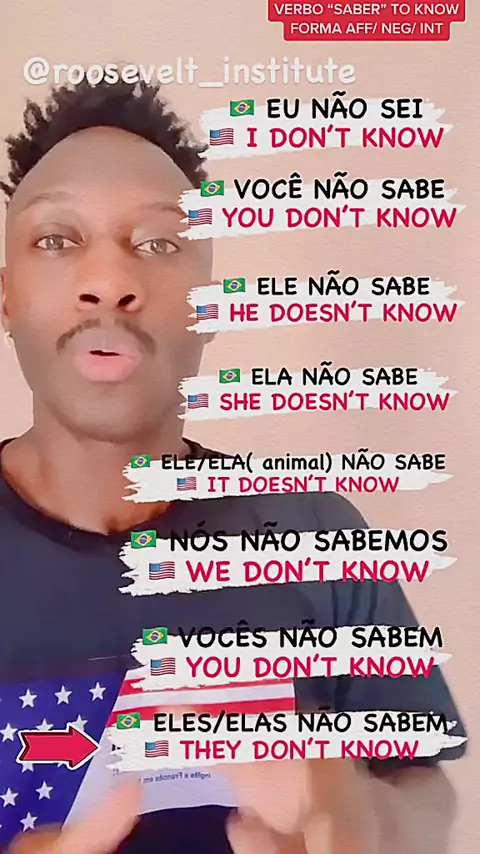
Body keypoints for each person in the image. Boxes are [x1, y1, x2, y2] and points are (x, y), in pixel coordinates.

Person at [0, 77, 466, 854]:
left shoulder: (318, 531)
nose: (109, 284)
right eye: (56, 239)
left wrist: (373, 824)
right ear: (6, 298)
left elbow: (425, 787)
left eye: (160, 243)